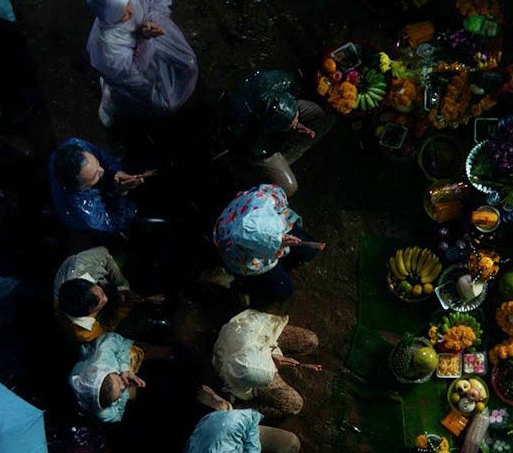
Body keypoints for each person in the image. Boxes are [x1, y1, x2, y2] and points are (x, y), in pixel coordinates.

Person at [221, 69, 334, 197]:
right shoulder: (249, 137)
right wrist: (282, 137)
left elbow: (294, 89)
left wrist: (293, 120)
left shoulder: (277, 82)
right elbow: (262, 150)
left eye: (296, 117)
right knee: (289, 187)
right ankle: (250, 175)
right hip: (249, 146)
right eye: (292, 124)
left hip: (273, 115)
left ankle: (287, 152)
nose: (297, 122)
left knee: (316, 112)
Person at [85, 0, 198, 126]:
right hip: (134, 65)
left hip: (148, 46)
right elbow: (133, 76)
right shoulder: (108, 48)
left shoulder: (121, 8)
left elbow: (156, 2)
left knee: (183, 65)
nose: (131, 11)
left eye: (128, 4)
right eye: (124, 15)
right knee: (131, 94)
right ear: (110, 19)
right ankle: (111, 102)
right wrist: (145, 39)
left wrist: (152, 20)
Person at [213, 184, 323, 306]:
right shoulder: (241, 258)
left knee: (308, 249)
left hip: (249, 217)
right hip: (245, 260)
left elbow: (278, 196)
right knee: (285, 289)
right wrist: (281, 248)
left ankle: (284, 255)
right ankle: (238, 284)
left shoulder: (264, 200)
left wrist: (280, 236)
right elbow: (262, 264)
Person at [213, 310, 320, 418]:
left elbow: (266, 340)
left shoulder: (259, 326)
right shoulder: (253, 370)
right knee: (295, 405)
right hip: (238, 369)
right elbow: (260, 371)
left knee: (311, 340)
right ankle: (238, 409)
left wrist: (274, 354)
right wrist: (274, 362)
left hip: (252, 340)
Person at [53, 246, 164, 344]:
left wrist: (122, 285)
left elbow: (104, 253)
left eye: (100, 292)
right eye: (100, 301)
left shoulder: (81, 263)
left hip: (94, 275)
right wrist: (121, 310)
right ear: (88, 313)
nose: (104, 298)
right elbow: (107, 328)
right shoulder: (84, 332)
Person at [49, 137, 152, 237]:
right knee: (131, 213)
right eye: (95, 176)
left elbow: (103, 157)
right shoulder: (88, 214)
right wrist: (121, 193)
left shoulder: (75, 144)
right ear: (82, 187)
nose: (102, 170)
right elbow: (115, 224)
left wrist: (116, 171)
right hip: (82, 214)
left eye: (97, 163)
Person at [70, 332, 147, 425]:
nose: (124, 386)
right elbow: (118, 415)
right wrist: (124, 395)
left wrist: (124, 369)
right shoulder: (102, 413)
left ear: (106, 373)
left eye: (118, 381)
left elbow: (113, 339)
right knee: (133, 394)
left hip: (92, 359)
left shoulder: (103, 358)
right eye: (115, 399)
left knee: (137, 351)